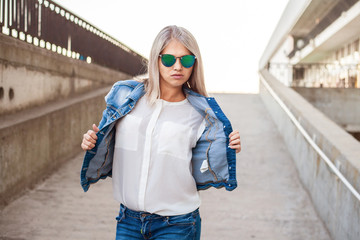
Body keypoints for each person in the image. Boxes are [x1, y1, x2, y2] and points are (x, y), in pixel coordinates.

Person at [80, 25, 241, 240]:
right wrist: (91, 141)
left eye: (185, 60)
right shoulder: (126, 97)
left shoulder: (200, 114)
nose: (177, 66)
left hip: (178, 224)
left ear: (194, 64)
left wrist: (228, 147)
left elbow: (206, 161)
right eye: (169, 59)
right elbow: (106, 138)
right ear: (156, 59)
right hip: (128, 220)